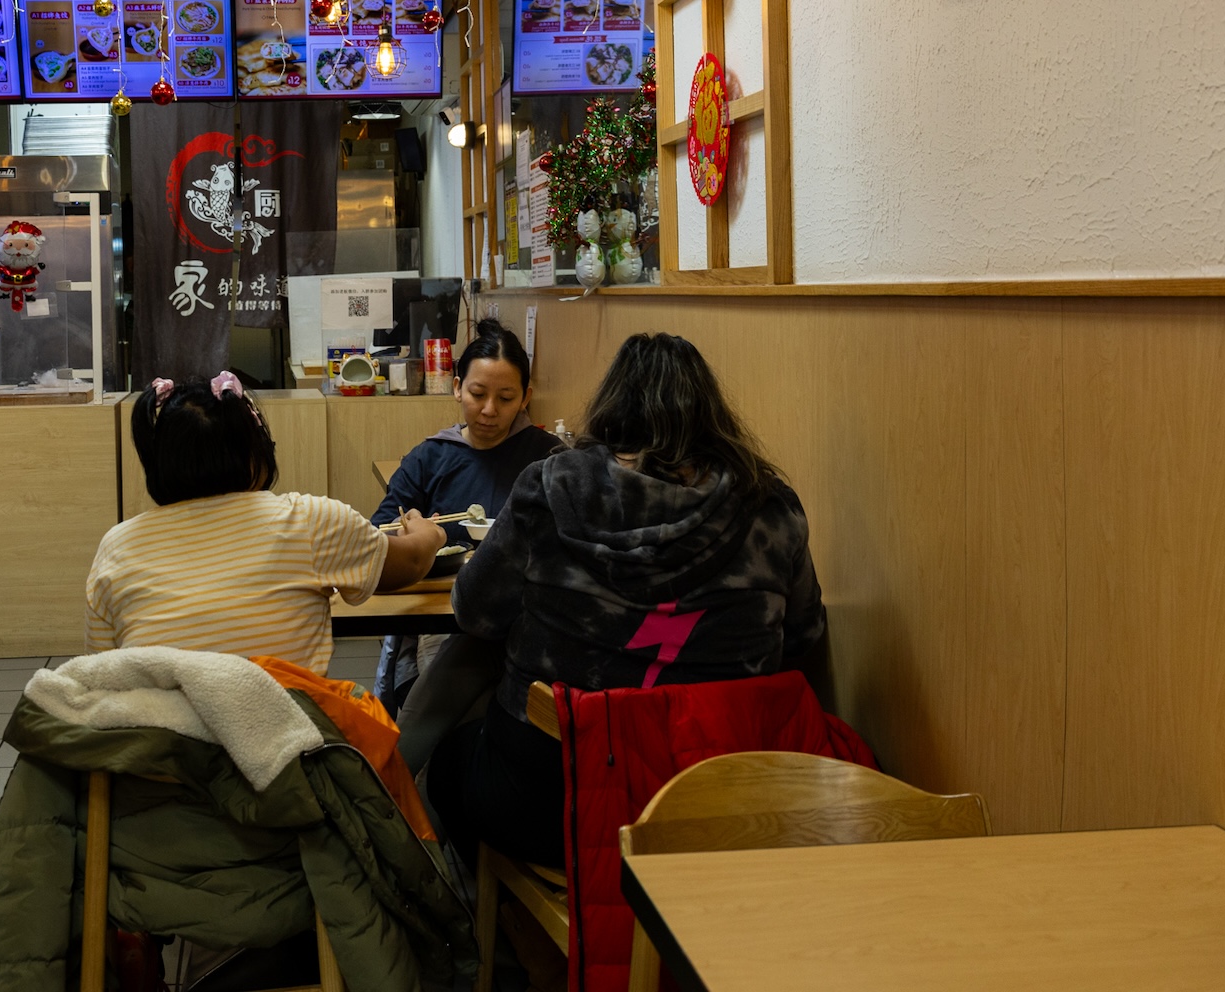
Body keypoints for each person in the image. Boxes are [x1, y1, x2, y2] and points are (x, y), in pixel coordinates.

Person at [426, 333, 829, 867]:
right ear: (710, 413)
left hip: (551, 797)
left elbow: (475, 612)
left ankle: (504, 915)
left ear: (612, 403)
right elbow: (803, 636)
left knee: (448, 765)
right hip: (715, 799)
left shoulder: (551, 486)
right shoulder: (771, 507)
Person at [87, 371, 447, 675]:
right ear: (255, 451)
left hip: (159, 737)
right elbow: (412, 561)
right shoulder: (310, 521)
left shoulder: (117, 545)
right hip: (285, 733)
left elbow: (103, 672)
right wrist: (429, 533)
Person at [369, 319, 561, 710]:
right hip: (447, 616)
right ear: (457, 388)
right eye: (477, 394)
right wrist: (414, 536)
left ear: (525, 397)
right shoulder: (430, 457)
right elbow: (379, 532)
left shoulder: (549, 458)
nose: (489, 410)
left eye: (505, 398)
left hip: (526, 618)